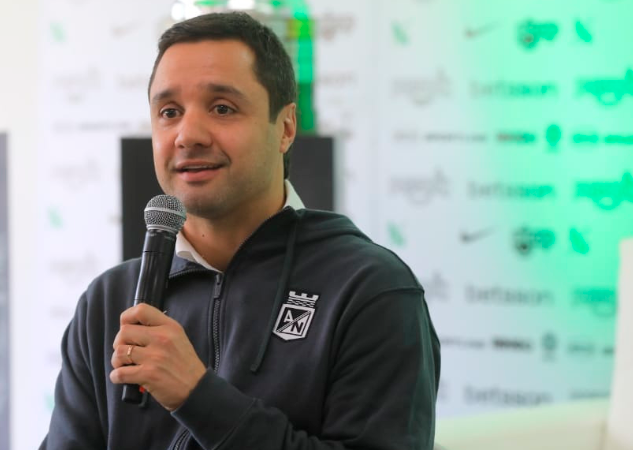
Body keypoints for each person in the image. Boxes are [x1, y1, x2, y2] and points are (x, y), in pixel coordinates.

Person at [41, 12, 440, 450]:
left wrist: (198, 396)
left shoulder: (368, 290)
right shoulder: (109, 301)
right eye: (169, 112)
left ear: (286, 127)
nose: (187, 135)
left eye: (222, 108)